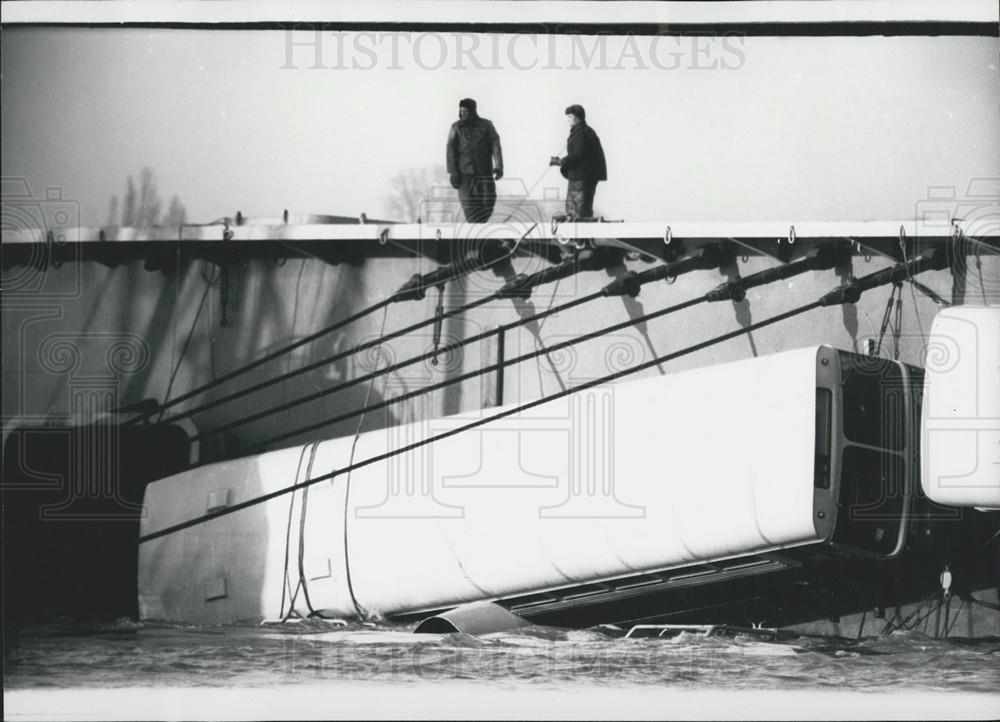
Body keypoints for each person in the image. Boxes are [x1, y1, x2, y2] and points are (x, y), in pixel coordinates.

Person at [446, 98, 504, 223]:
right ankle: (475, 229)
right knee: (469, 205)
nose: (463, 114)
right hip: (465, 175)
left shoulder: (486, 125)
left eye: (466, 111)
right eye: (461, 111)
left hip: (484, 173)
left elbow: (495, 145)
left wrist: (499, 166)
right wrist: (453, 172)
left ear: (473, 111)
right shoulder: (456, 128)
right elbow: (450, 150)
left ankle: (480, 225)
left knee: (488, 202)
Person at [549, 104, 607, 220]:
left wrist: (560, 161)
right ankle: (582, 237)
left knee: (576, 213)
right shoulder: (584, 131)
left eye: (570, 117)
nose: (568, 120)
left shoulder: (581, 133)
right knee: (579, 211)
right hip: (583, 177)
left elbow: (577, 155)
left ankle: (579, 237)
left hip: (581, 178)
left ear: (578, 117)